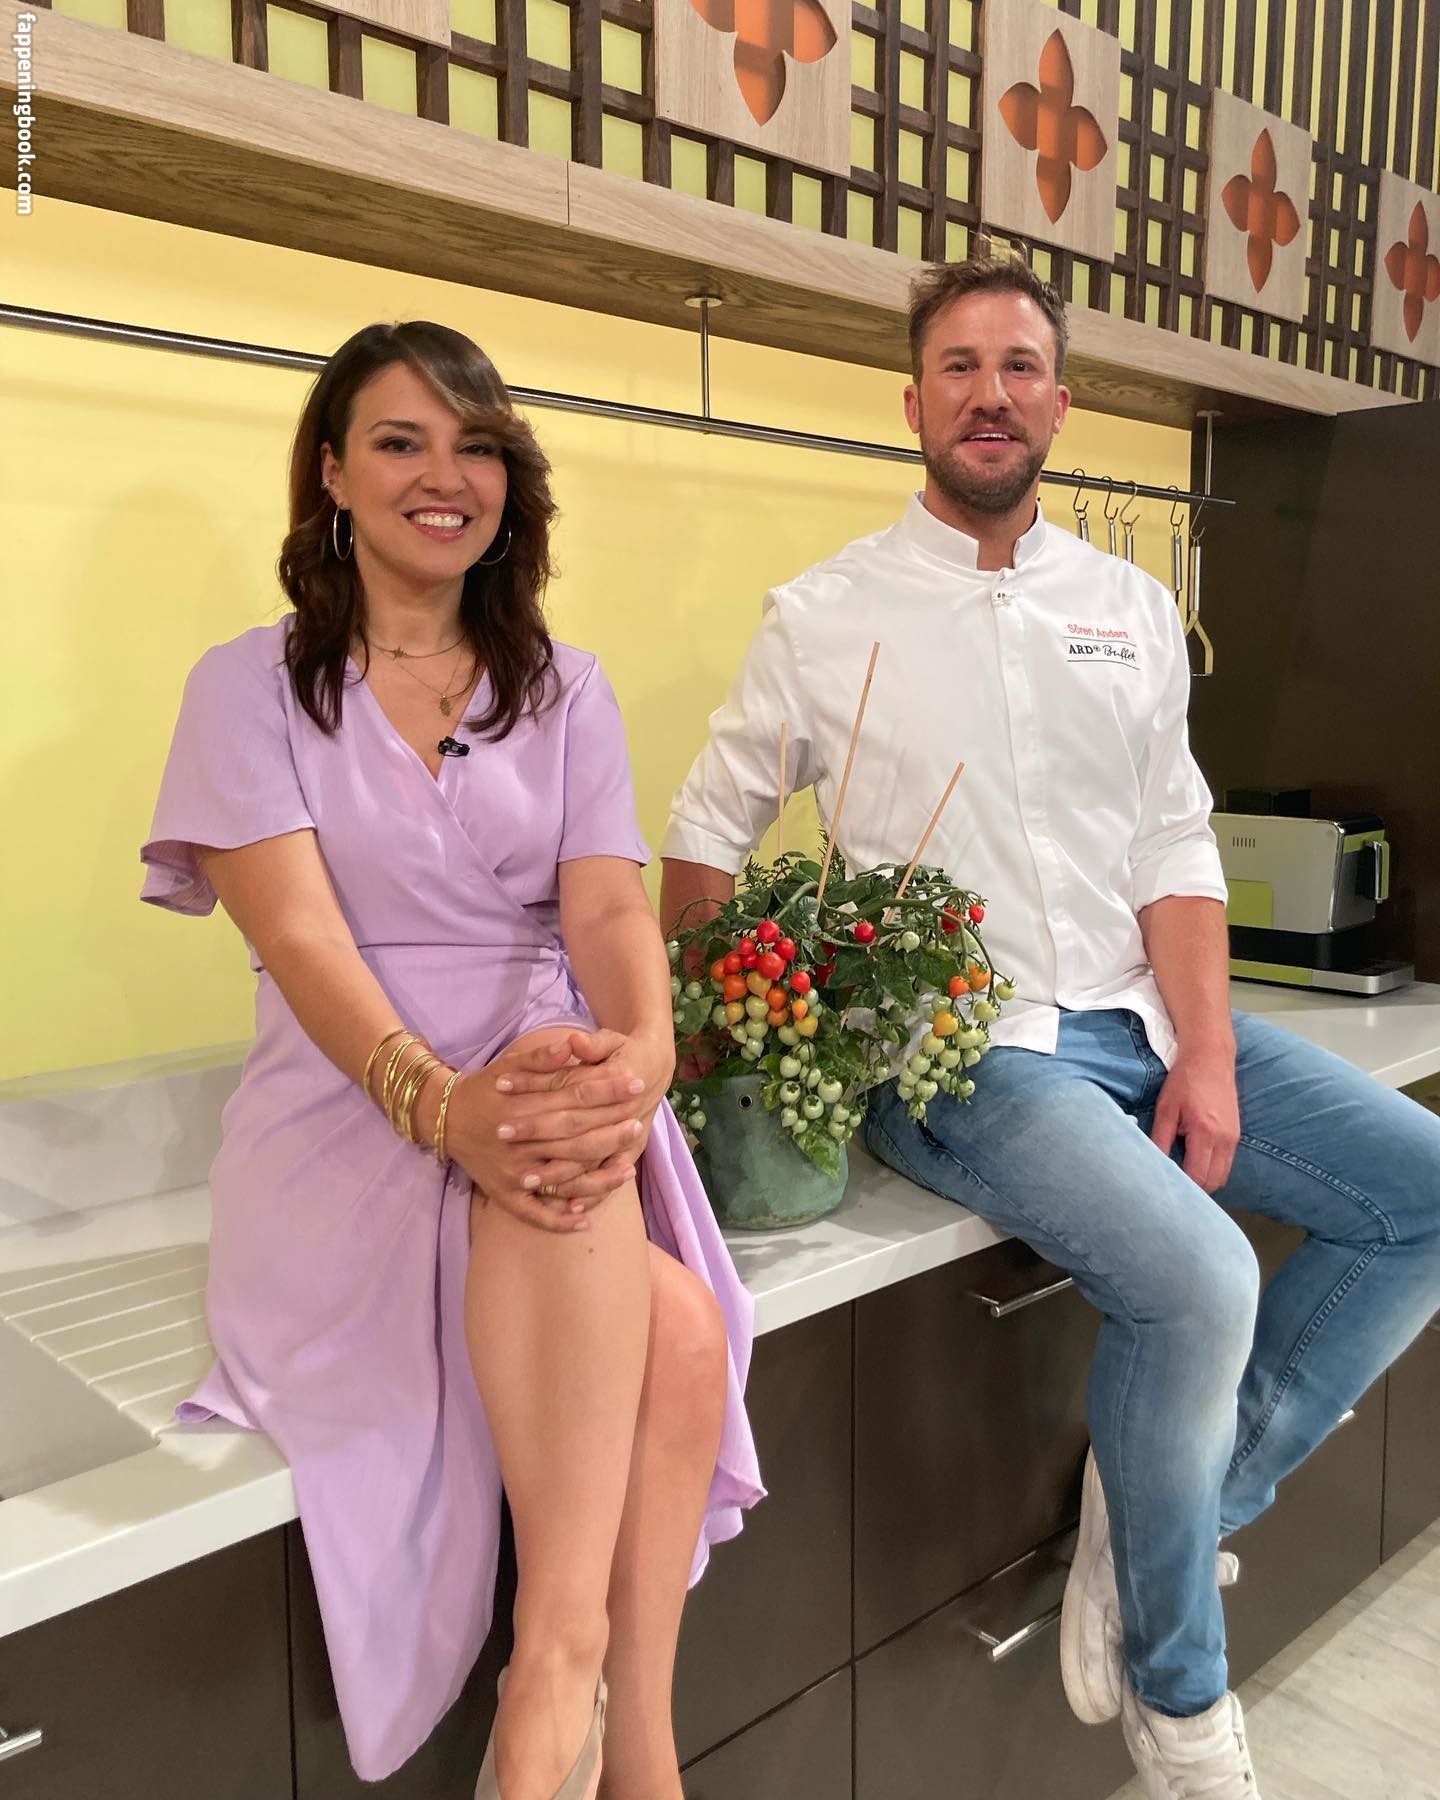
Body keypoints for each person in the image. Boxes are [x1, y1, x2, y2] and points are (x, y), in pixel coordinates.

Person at [658, 256, 1440, 1799]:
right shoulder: (824, 615)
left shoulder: (1130, 608)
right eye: (959, 366)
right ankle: (1181, 1701)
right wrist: (730, 1046)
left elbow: (1173, 849)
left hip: (1142, 1020)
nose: (990, 394)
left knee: (1420, 1192)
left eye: (1019, 366)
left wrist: (1205, 1050)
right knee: (1203, 1281)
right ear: (912, 403)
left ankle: (1170, 1514)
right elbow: (703, 837)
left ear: (1061, 404)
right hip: (968, 1057)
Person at [140, 320, 763, 1800]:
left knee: (633, 1254)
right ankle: (589, 1707)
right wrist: (443, 1106)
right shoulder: (246, 687)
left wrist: (645, 1054)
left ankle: (590, 1714)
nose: (444, 475)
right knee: (665, 1322)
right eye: (400, 441)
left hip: (551, 1080)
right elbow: (303, 942)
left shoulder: (566, 687)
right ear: (332, 472)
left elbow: (608, 908)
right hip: (351, 1105)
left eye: (475, 445)